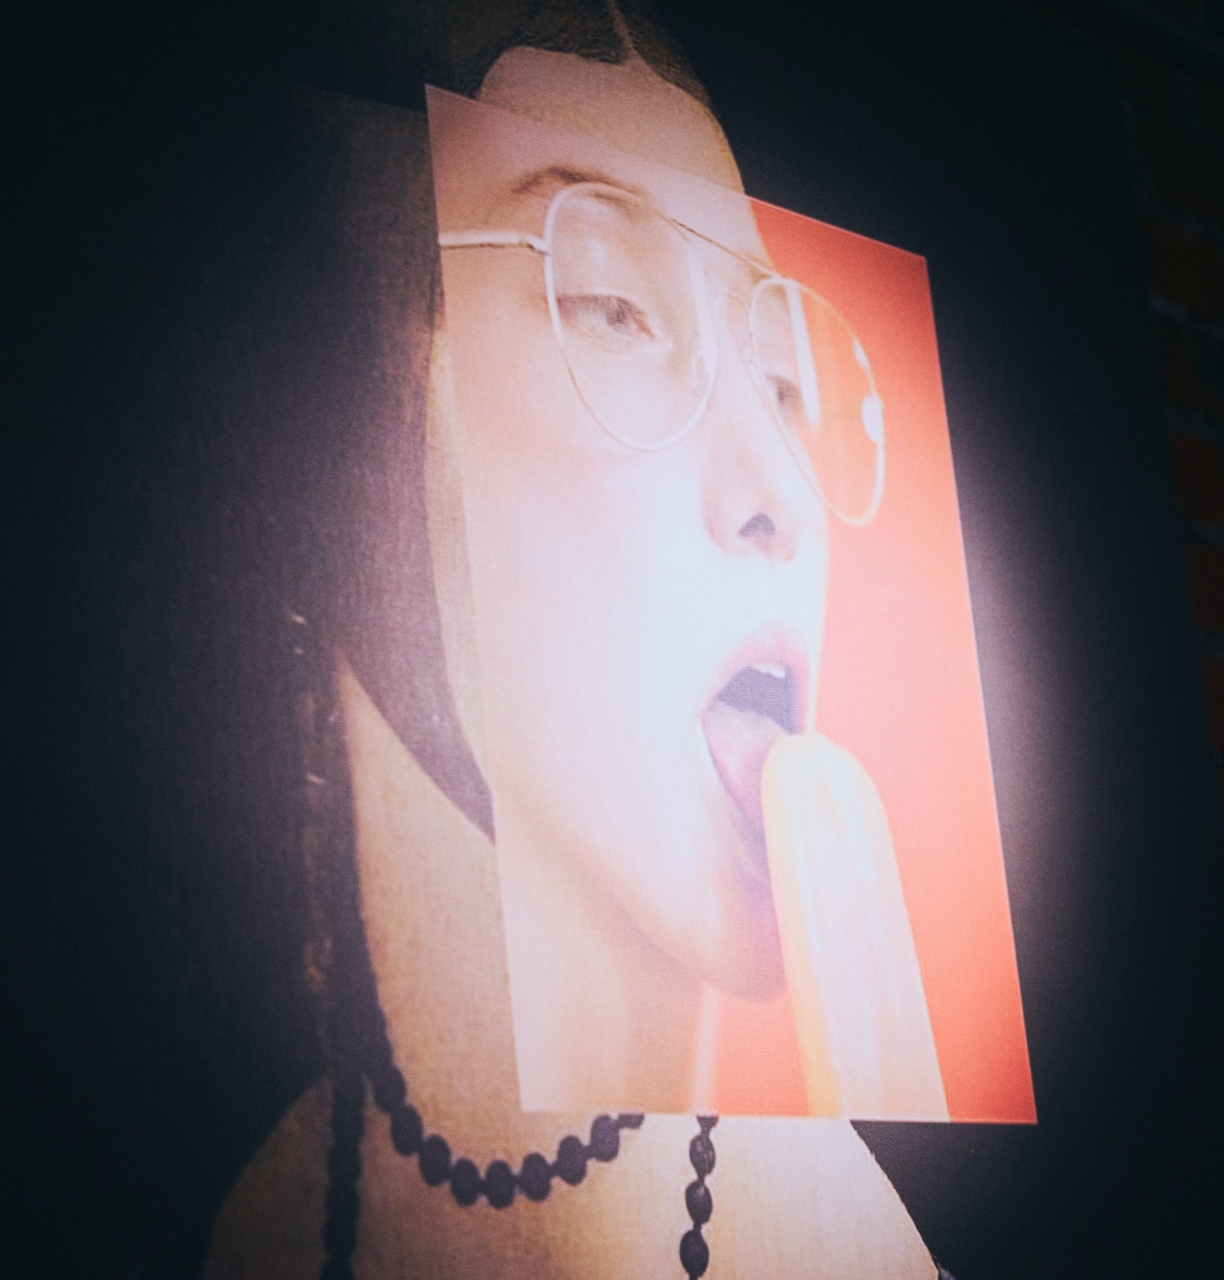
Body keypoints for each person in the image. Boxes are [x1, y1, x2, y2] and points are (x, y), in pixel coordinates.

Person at [205, 3, 946, 1275]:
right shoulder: (261, 1222)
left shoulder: (846, 1245)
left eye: (783, 381)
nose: (781, 486)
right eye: (612, 306)